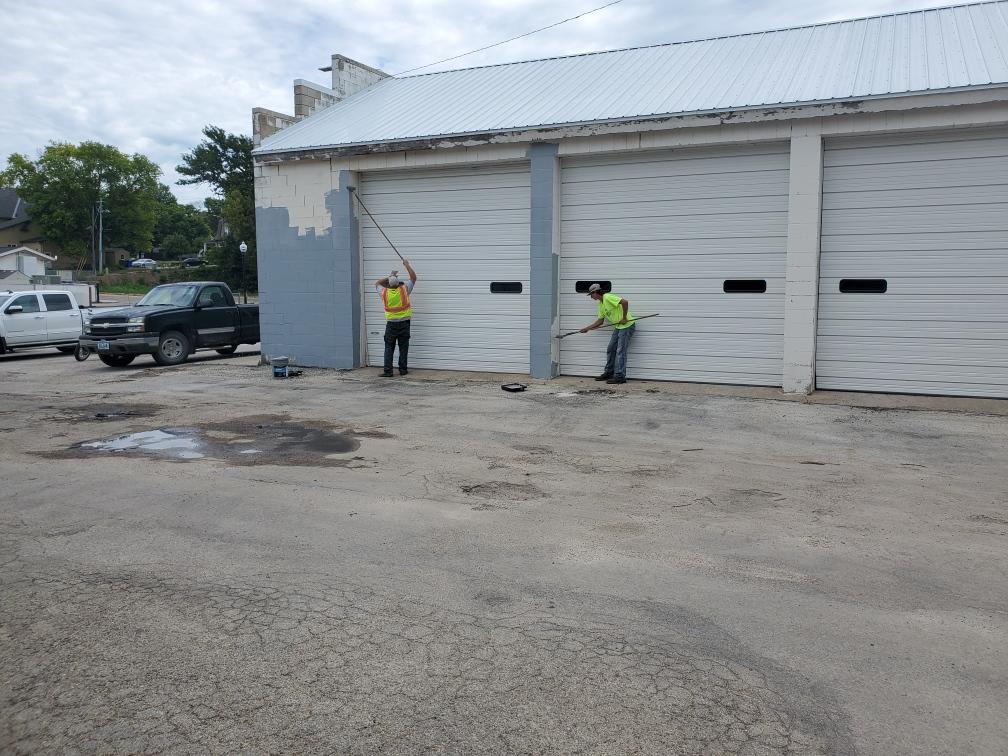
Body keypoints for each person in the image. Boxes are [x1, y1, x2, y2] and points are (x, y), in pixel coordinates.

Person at [579, 283, 636, 384]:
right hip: (619, 327)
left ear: (596, 292)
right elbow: (600, 322)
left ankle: (620, 376)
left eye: (591, 295)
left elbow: (625, 302)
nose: (591, 297)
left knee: (620, 351)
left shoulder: (608, 297)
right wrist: (587, 328)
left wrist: (624, 317)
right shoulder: (601, 304)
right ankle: (609, 372)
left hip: (627, 326)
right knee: (611, 349)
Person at [374, 258, 417, 377]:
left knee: (389, 347)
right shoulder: (404, 290)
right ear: (398, 283)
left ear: (388, 284)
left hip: (391, 325)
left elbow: (377, 283)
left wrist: (390, 276)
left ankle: (388, 371)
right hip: (405, 324)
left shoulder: (384, 293)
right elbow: (413, 278)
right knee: (403, 347)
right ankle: (403, 370)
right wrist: (407, 265)